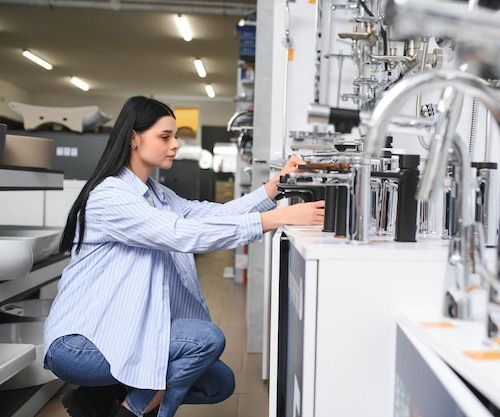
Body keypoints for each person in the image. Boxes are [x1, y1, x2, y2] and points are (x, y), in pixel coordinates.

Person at [42, 96, 325, 417]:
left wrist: (276, 186)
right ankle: (130, 410)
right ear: (134, 138)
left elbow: (212, 216)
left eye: (175, 136)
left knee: (219, 382)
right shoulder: (110, 197)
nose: (175, 144)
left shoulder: (158, 195)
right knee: (206, 339)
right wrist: (280, 218)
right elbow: (180, 233)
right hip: (82, 343)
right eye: (165, 137)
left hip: (125, 332)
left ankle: (100, 401)